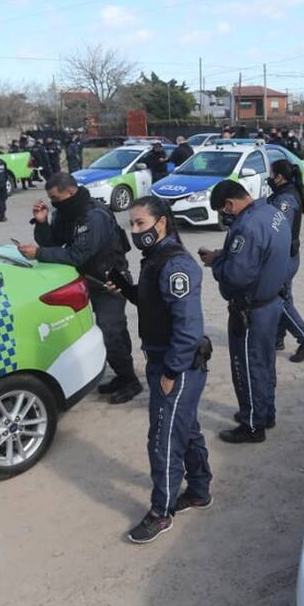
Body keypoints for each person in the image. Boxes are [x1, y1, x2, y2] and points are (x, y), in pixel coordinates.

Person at [107, 197, 213, 544]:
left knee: (163, 439)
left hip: (175, 366)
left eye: (141, 223)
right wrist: (126, 289)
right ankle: (198, 491)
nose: (135, 230)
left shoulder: (175, 264)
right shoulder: (154, 258)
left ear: (162, 223)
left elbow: (188, 327)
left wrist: (171, 371)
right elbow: (153, 302)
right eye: (132, 224)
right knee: (186, 429)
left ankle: (161, 512)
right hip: (163, 361)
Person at [14, 173, 141, 404]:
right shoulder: (65, 213)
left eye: (55, 197)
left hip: (109, 283)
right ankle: (123, 375)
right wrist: (42, 223)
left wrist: (38, 253)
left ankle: (130, 380)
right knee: (110, 332)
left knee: (111, 332)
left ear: (70, 192)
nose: (52, 202)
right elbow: (53, 243)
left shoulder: (95, 216)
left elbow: (77, 254)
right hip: (85, 281)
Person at [199, 179, 291, 443]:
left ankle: (252, 425)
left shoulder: (246, 227)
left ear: (229, 205)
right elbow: (258, 254)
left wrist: (216, 265)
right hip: (271, 303)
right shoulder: (271, 212)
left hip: (251, 311)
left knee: (248, 366)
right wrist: (222, 254)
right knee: (265, 363)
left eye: (222, 210)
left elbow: (236, 275)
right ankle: (265, 412)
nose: (224, 216)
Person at [268, 159, 304, 363]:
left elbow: (278, 228)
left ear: (279, 177)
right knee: (284, 299)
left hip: (283, 258)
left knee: (279, 302)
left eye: (272, 174)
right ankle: (278, 338)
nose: (270, 177)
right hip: (286, 257)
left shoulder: (286, 199)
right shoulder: (284, 193)